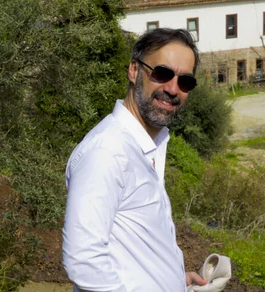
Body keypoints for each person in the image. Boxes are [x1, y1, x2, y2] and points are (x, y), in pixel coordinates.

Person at [62, 28, 208, 292]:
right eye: (162, 73)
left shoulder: (144, 147)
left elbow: (130, 248)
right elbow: (83, 261)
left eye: (185, 81)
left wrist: (174, 280)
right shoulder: (107, 151)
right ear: (134, 70)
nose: (173, 89)